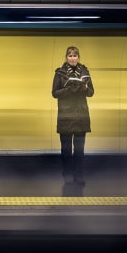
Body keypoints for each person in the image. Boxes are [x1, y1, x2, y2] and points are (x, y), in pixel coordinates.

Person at [52, 46, 94, 185]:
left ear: (78, 57)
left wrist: (85, 88)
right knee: (66, 149)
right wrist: (68, 90)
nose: (72, 58)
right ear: (66, 57)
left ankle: (79, 175)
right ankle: (67, 175)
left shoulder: (85, 72)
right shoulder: (59, 73)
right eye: (70, 55)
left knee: (79, 150)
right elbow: (54, 93)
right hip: (66, 116)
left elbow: (91, 92)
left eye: (75, 55)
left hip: (81, 116)